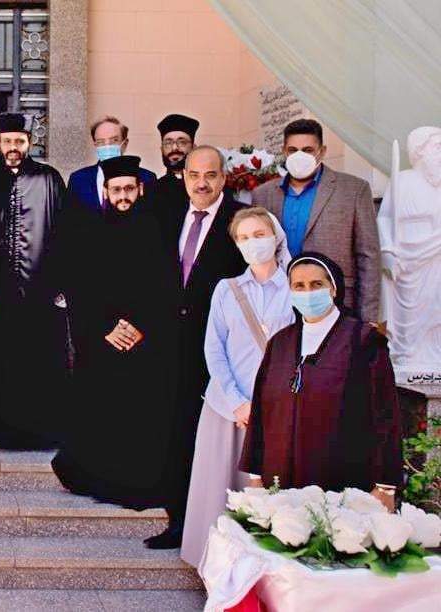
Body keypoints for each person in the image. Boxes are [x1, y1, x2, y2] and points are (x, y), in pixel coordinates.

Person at [51, 155, 177, 508]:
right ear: (105, 191)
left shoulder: (158, 230)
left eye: (129, 189)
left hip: (144, 341)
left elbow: (165, 287)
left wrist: (141, 327)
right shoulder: (89, 231)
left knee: (139, 415)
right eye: (116, 189)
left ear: (140, 190)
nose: (123, 196)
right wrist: (105, 328)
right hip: (102, 340)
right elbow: (79, 287)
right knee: (101, 413)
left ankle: (134, 479)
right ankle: (100, 477)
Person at [240, 253, 402, 510]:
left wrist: (385, 485)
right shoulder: (279, 343)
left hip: (343, 481)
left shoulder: (363, 340)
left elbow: (385, 414)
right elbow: (262, 410)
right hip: (279, 480)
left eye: (316, 285)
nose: (307, 292)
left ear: (333, 289)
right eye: (299, 286)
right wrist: (255, 476)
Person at [180, 206, 294, 567]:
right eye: (244, 238)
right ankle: (217, 567)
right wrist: (237, 401)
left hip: (281, 409)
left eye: (259, 235)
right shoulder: (226, 290)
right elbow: (214, 349)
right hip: (228, 407)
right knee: (220, 490)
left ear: (275, 237)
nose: (252, 243)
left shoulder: (295, 287)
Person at [149, 145, 246, 550]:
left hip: (219, 348)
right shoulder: (168, 214)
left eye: (210, 175)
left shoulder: (239, 220)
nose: (201, 183)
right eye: (194, 175)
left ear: (224, 177)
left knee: (207, 438)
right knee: (173, 432)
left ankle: (217, 524)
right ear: (184, 177)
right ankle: (178, 521)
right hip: (170, 344)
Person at [0, 112, 68, 449]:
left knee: (39, 361)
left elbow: (64, 233)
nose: (14, 147)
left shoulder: (49, 179)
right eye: (8, 141)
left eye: (20, 141)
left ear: (29, 143)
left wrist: (61, 285)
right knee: (0, 362)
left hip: (41, 290)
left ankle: (40, 433)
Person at [251, 118, 381, 321]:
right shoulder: (263, 194)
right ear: (284, 151)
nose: (299, 156)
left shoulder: (354, 190)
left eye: (308, 150)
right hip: (278, 303)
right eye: (293, 150)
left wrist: (368, 319)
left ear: (322, 151)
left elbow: (368, 256)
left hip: (335, 301)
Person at [67, 115, 156, 212]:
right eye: (101, 142)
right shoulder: (78, 179)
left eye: (114, 140)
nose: (107, 146)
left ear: (125, 144)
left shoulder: (146, 178)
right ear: (95, 145)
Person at [147, 113, 199, 213]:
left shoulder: (204, 188)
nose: (174, 148)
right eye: (168, 143)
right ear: (161, 149)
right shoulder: (151, 191)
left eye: (182, 142)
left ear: (194, 148)